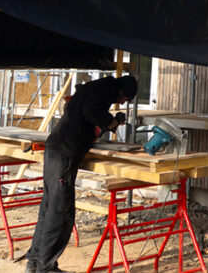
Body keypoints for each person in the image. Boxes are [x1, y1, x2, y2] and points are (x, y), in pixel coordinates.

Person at [25, 74, 138, 273]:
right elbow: (92, 112)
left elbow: (86, 116)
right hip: (65, 153)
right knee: (60, 212)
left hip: (56, 148)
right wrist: (111, 122)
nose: (122, 102)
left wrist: (105, 124)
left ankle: (34, 263)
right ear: (122, 92)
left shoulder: (95, 88)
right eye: (125, 99)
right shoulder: (105, 91)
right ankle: (46, 268)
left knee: (49, 207)